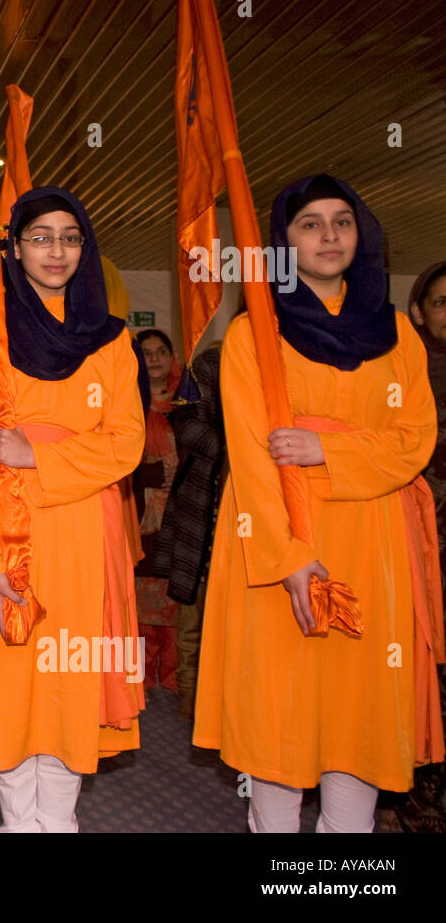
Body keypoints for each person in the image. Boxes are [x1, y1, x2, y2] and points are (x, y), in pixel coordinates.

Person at [194, 174, 442, 833]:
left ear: (363, 236)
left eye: (342, 221)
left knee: (357, 718)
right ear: (284, 242)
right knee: (280, 715)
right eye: (310, 223)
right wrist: (292, 560)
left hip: (373, 538)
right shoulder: (254, 335)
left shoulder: (396, 333)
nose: (328, 235)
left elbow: (415, 441)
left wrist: (331, 451)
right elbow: (251, 459)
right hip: (276, 543)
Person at [0, 187, 146, 832]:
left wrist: (37, 458)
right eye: (40, 236)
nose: (56, 250)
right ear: (14, 249)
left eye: (70, 237)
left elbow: (127, 445)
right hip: (5, 536)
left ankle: (59, 824)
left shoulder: (111, 341)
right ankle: (22, 824)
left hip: (85, 533)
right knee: (14, 690)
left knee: (71, 683)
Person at [396, 261, 446, 831]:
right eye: (440, 302)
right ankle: (414, 791)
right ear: (417, 312)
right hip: (420, 538)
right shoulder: (406, 372)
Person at [151, 342, 225, 720]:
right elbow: (186, 421)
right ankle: (190, 697)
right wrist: (239, 450)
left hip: (258, 505)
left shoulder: (292, 361)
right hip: (201, 501)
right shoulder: (213, 361)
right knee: (193, 610)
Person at [132, 328, 185, 696]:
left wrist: (175, 476)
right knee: (139, 599)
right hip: (138, 515)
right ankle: (140, 677)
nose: (153, 359)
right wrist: (150, 473)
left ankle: (173, 676)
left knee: (175, 597)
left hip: (181, 515)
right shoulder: (126, 402)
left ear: (171, 357)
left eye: (161, 351)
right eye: (146, 353)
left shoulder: (189, 405)